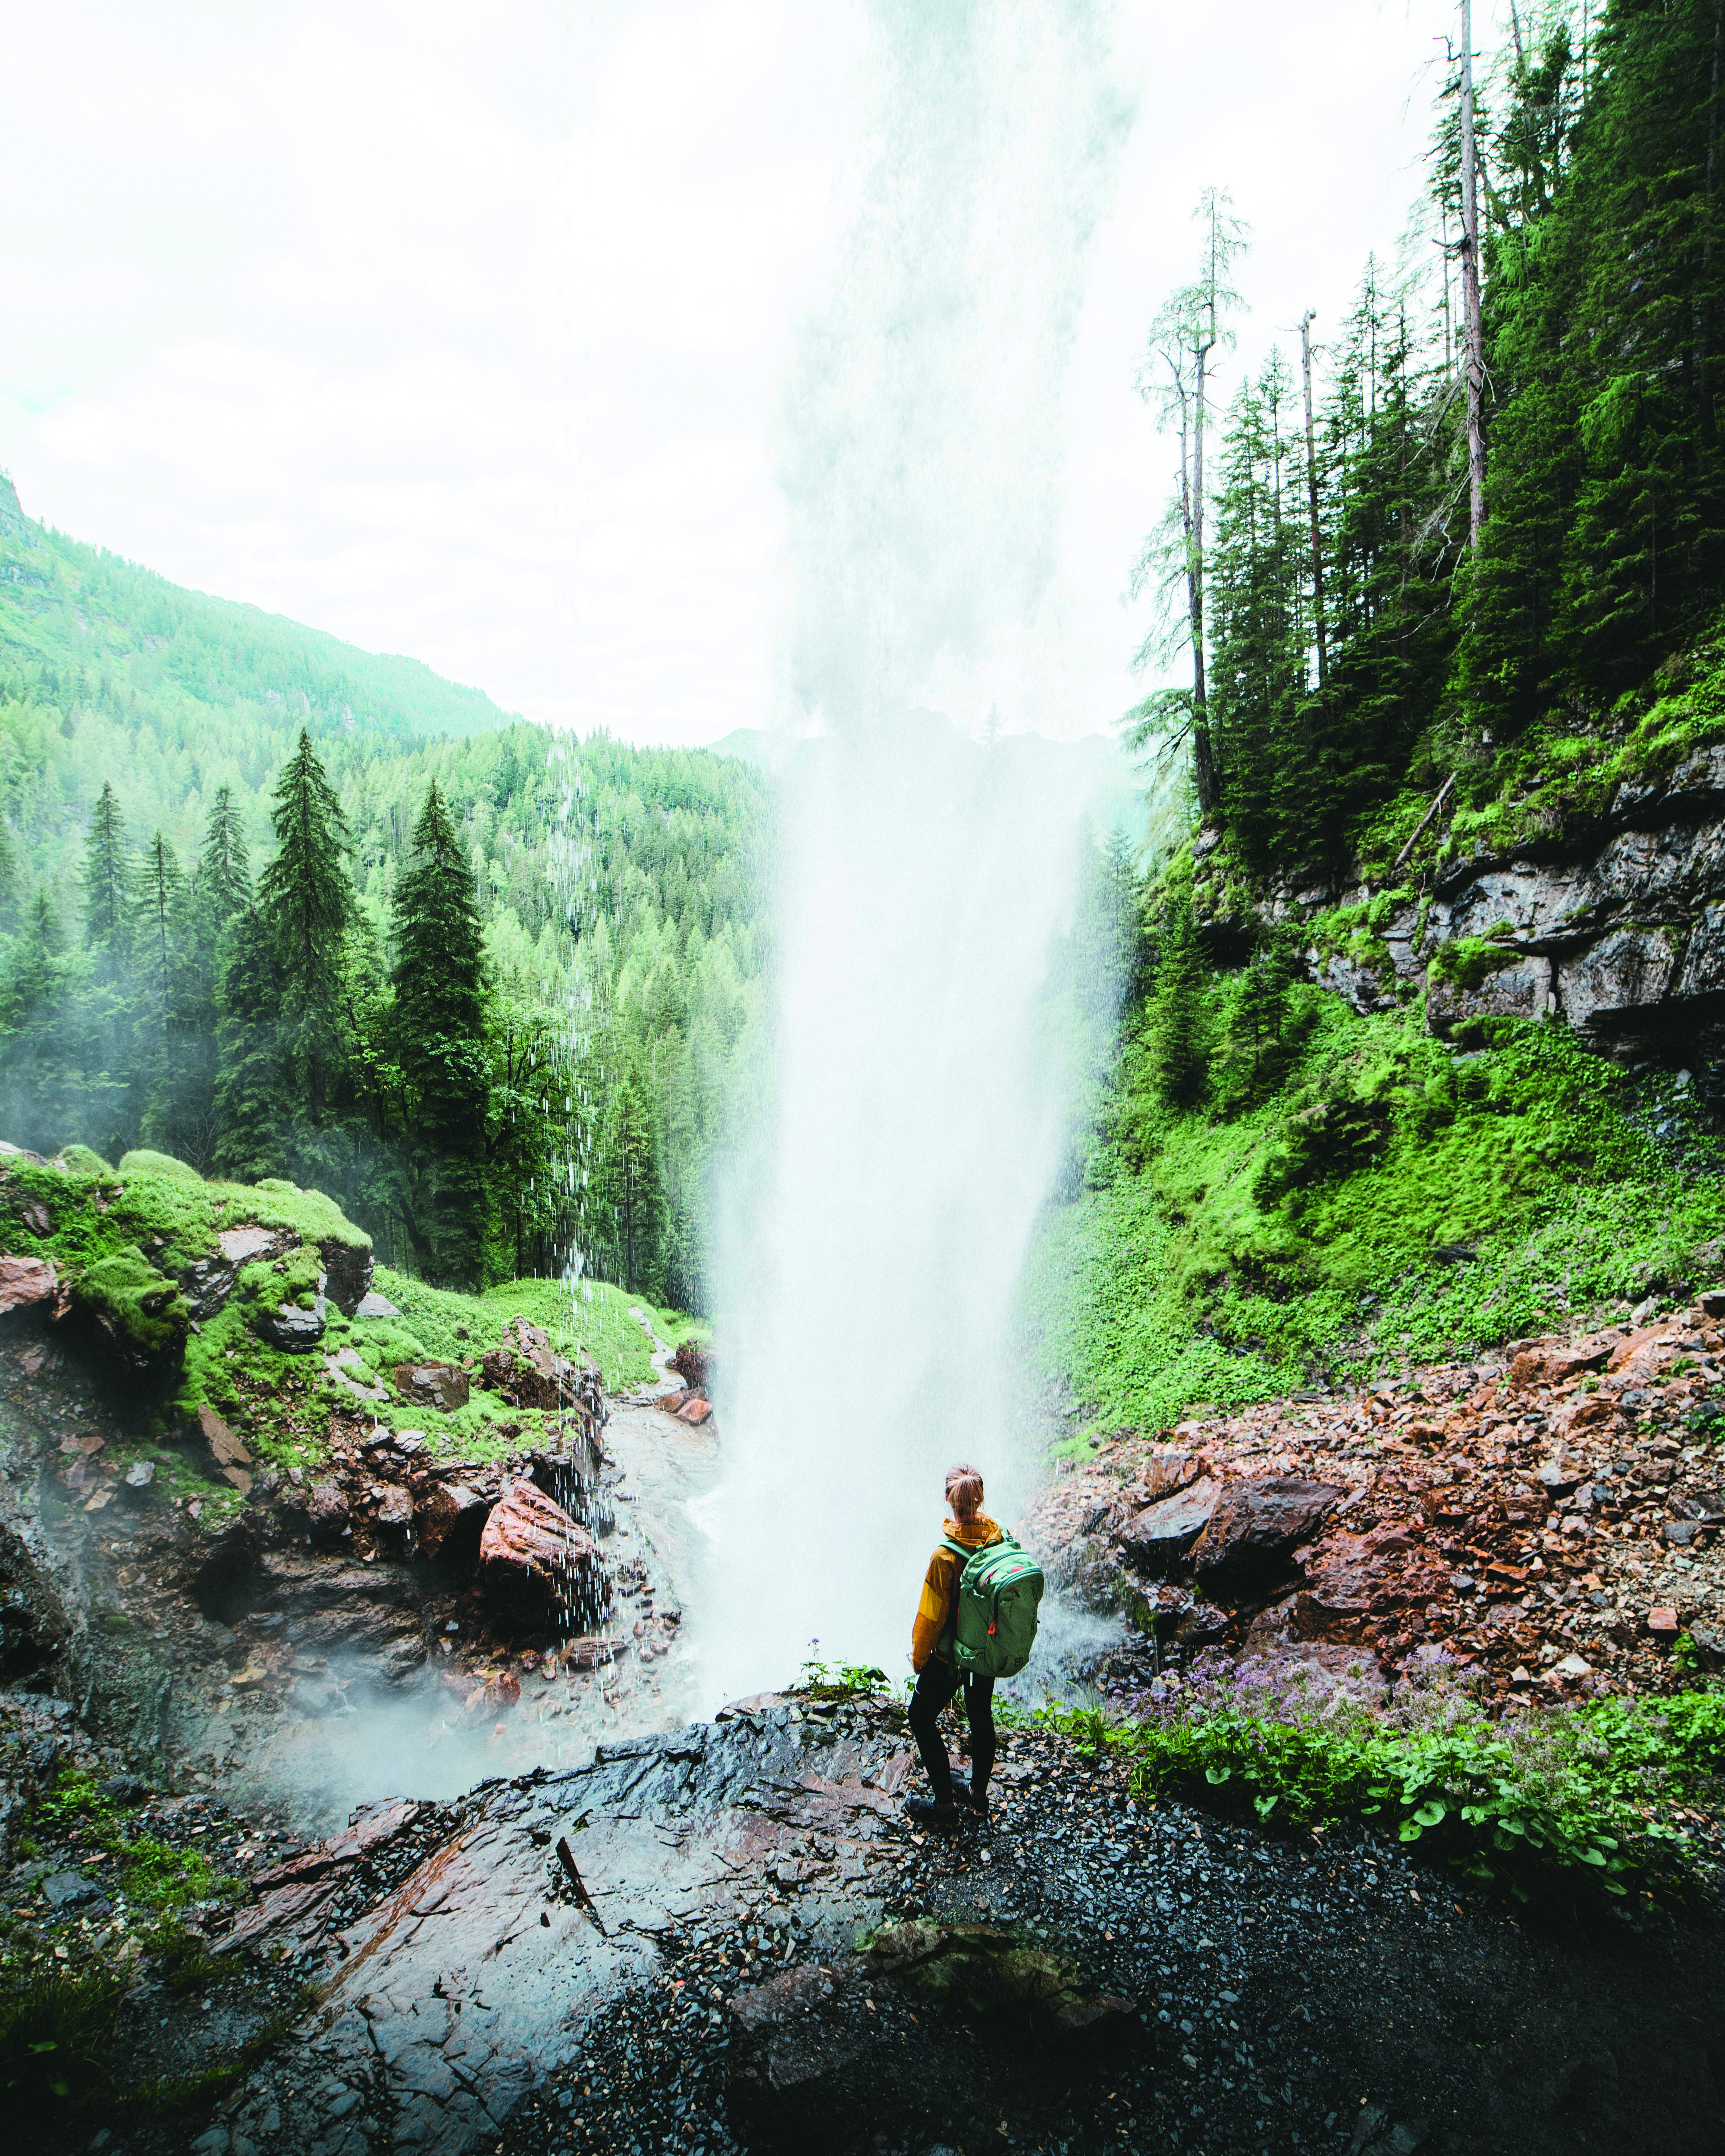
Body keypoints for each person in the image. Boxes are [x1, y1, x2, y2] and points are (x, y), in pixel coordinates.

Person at [905, 1462, 1000, 1830]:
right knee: (981, 1716)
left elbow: (931, 1615)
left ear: (948, 1499)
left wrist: (918, 1658)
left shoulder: (944, 1558)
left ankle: (945, 1809)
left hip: (950, 1658)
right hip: (984, 1653)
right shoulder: (997, 1539)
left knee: (920, 1717)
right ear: (980, 1499)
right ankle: (977, 1795)